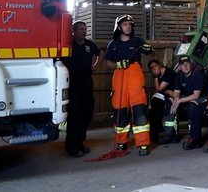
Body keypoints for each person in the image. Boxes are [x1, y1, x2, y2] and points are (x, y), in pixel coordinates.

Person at [104, 14, 153, 156]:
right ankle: (121, 142)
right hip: (119, 77)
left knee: (139, 109)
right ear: (119, 27)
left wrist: (149, 49)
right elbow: (108, 63)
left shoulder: (138, 41)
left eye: (130, 24)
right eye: (125, 24)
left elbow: (151, 55)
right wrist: (118, 64)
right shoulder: (113, 44)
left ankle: (143, 144)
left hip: (135, 75)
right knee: (119, 110)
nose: (128, 27)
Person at [63, 21, 104, 157]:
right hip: (73, 84)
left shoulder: (88, 44)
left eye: (85, 29)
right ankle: (71, 146)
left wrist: (95, 66)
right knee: (74, 114)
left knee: (86, 112)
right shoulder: (68, 44)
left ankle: (80, 142)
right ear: (73, 31)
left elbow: (101, 53)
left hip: (87, 82)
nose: (84, 31)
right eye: (81, 29)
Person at [162, 55, 208, 149]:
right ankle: (171, 135)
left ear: (191, 64)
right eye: (183, 64)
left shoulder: (197, 74)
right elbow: (176, 92)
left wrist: (180, 100)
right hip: (187, 97)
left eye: (187, 64)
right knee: (170, 103)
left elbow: (196, 95)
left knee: (193, 106)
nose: (185, 66)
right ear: (179, 66)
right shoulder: (179, 75)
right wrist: (175, 100)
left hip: (203, 97)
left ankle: (195, 138)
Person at [148, 59, 175, 143]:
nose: (154, 69)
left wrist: (156, 76)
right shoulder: (157, 74)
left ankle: (155, 132)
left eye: (155, 66)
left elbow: (159, 89)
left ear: (159, 65)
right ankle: (154, 131)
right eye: (152, 68)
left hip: (172, 94)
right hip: (163, 94)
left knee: (158, 103)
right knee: (153, 104)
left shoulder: (168, 73)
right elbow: (158, 90)